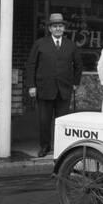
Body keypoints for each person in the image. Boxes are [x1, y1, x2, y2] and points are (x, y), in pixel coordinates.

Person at [25, 13, 83, 158]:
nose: (58, 28)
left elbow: (78, 65)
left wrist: (75, 82)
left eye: (60, 26)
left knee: (62, 121)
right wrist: (31, 85)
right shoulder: (40, 43)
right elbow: (31, 65)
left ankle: (61, 148)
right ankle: (45, 147)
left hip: (64, 89)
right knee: (44, 121)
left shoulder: (71, 45)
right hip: (44, 89)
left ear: (64, 29)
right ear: (50, 29)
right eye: (55, 26)